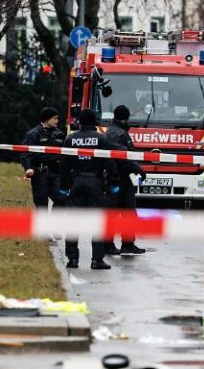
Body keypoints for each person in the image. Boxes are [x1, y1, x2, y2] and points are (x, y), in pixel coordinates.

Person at [60, 109, 119, 270]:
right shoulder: (101, 138)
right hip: (95, 182)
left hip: (76, 182)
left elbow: (64, 164)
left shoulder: (70, 139)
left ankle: (72, 259)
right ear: (95, 122)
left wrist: (63, 186)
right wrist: (114, 183)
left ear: (79, 121)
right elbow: (109, 163)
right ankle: (96, 260)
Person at [104, 105, 147, 256]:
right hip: (118, 177)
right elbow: (124, 156)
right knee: (123, 212)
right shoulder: (119, 134)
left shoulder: (111, 131)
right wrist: (138, 169)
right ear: (126, 117)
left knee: (120, 212)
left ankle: (123, 244)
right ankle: (115, 244)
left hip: (116, 177)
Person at [20, 107, 67, 208]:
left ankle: (54, 223)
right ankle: (43, 223)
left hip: (56, 173)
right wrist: (28, 167)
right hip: (40, 174)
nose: (57, 121)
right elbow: (25, 153)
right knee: (41, 204)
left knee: (62, 200)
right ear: (47, 119)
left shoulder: (59, 134)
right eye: (54, 118)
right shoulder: (33, 134)